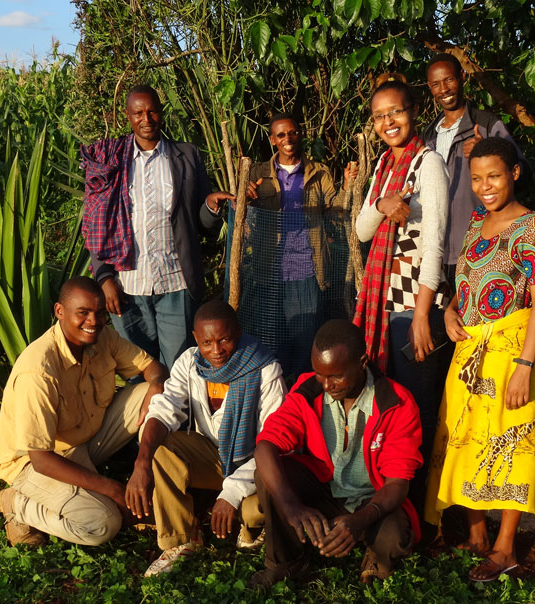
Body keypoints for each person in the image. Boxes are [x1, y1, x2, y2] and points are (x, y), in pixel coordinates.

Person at [424, 138, 535, 582]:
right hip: (468, 356)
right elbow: (465, 287)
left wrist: (524, 366)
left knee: (512, 446)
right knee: (465, 442)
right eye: (477, 178)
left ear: (514, 173)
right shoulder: (476, 224)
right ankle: (478, 535)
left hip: (509, 354)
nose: (485, 187)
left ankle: (505, 550)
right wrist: (447, 311)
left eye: (494, 176)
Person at [0, 276, 169, 547]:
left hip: (84, 440)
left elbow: (151, 367)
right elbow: (40, 458)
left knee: (155, 393)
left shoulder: (103, 338)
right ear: (59, 312)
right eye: (83, 313)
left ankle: (150, 474)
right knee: (103, 523)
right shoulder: (39, 370)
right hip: (34, 463)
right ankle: (17, 504)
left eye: (99, 313)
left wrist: (156, 383)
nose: (93, 321)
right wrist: (112, 488)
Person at [251, 320, 422, 589]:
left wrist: (358, 521)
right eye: (320, 373)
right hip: (325, 491)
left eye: (336, 376)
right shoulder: (308, 390)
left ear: (362, 361)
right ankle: (287, 563)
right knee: (270, 474)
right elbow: (265, 447)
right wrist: (291, 506)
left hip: (372, 501)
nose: (327, 384)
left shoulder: (396, 403)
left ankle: (372, 560)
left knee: (393, 537)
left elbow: (397, 484)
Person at [124, 300, 286, 577]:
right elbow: (164, 410)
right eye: (207, 342)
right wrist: (142, 461)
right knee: (159, 446)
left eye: (224, 340)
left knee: (255, 510)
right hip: (212, 456)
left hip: (255, 465)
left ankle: (251, 527)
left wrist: (231, 493)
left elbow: (272, 445)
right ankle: (183, 538)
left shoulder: (265, 369)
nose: (216, 351)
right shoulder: (189, 362)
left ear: (238, 331)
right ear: (196, 338)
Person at [81, 84, 235, 369]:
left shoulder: (186, 156)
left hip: (175, 282)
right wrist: (104, 278)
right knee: (138, 372)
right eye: (138, 112)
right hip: (127, 288)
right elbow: (96, 224)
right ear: (128, 116)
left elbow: (200, 224)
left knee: (179, 370)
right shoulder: (112, 160)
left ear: (161, 113)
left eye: (152, 111)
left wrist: (211, 206)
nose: (146, 119)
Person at [353, 75, 449, 511]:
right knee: (393, 407)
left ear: (413, 112)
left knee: (421, 411)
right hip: (386, 306)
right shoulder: (384, 167)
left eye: (396, 111)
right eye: (379, 116)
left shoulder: (427, 164)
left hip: (415, 308)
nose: (388, 121)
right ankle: (395, 502)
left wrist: (425, 314)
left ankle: (425, 512)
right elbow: (361, 228)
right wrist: (382, 205)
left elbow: (434, 244)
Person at [240, 113, 357, 377]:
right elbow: (241, 216)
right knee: (270, 341)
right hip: (268, 270)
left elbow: (336, 210)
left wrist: (348, 186)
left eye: (292, 132)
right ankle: (275, 401)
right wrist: (245, 196)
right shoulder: (257, 173)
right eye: (281, 135)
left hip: (306, 268)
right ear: (273, 140)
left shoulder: (318, 172)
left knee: (305, 342)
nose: (287, 139)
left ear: (300, 134)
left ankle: (301, 397)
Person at [423, 54, 530, 292]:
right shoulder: (428, 135)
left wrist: (488, 151)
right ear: (430, 88)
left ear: (462, 78)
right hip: (436, 253)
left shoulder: (487, 124)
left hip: (481, 247)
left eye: (449, 80)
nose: (444, 89)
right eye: (436, 84)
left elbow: (522, 174)